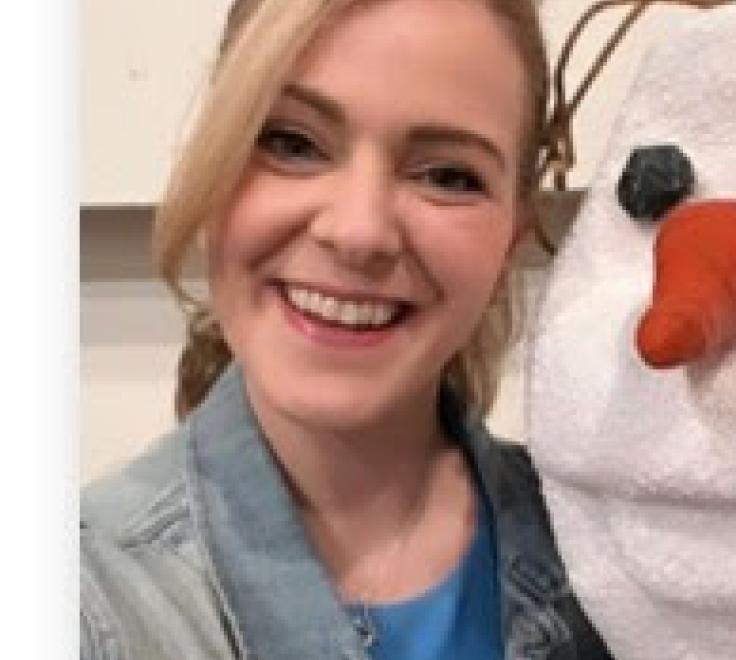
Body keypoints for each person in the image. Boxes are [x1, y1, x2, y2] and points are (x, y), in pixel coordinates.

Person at [80, 0, 611, 658]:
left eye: (448, 176)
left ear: (513, 236)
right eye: (291, 143)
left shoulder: (616, 559)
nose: (359, 232)